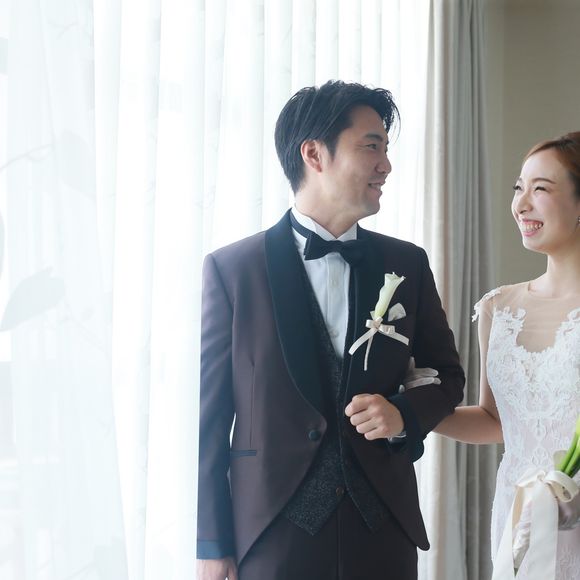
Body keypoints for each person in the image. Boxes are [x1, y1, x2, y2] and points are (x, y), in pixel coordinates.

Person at [196, 80, 465, 580]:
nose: (386, 165)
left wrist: (402, 415)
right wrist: (213, 545)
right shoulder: (233, 271)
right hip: (272, 533)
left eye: (386, 149)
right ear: (314, 154)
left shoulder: (406, 264)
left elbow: (449, 378)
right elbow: (211, 421)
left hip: (383, 529)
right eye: (371, 147)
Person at [435, 132, 580, 578]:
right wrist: (415, 410)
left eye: (541, 189)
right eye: (519, 188)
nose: (521, 204)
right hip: (517, 516)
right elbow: (495, 421)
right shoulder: (498, 308)